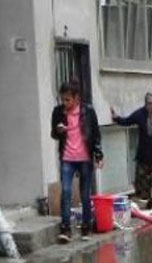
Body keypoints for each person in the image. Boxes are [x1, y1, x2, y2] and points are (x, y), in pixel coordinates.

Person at [51, 80, 104, 243]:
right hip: (67, 158)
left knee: (85, 194)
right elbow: (53, 134)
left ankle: (86, 226)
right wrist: (58, 131)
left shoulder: (88, 111)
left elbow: (95, 134)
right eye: (62, 99)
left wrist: (98, 155)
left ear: (76, 98)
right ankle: (66, 229)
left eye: (68, 99)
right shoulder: (58, 112)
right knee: (66, 192)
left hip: (84, 158)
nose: (64, 103)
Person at [111, 93, 152, 211]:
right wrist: (116, 118)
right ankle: (150, 200)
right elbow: (127, 121)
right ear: (146, 104)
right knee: (144, 180)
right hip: (145, 153)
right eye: (150, 104)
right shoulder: (140, 114)